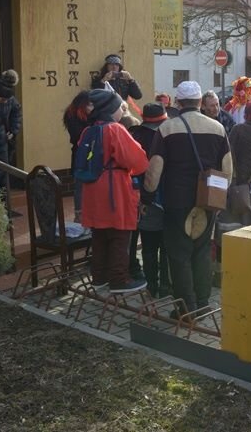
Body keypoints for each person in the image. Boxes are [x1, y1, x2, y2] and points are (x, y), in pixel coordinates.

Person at [144, 81, 233, 316]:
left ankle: (186, 308)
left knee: (179, 254)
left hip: (176, 201)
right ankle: (203, 303)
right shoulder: (217, 128)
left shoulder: (167, 128)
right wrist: (219, 198)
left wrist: (147, 197)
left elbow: (154, 171)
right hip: (207, 200)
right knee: (202, 252)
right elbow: (227, 169)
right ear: (200, 102)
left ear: (178, 102)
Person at [80, 89, 150, 294]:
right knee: (119, 234)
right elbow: (138, 161)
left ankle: (99, 277)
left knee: (99, 234)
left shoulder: (88, 130)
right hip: (114, 187)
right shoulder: (115, 130)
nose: (123, 110)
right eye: (120, 107)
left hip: (92, 187)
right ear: (111, 109)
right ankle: (119, 280)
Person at [130, 103, 171, 298]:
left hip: (143, 198)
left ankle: (151, 286)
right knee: (166, 246)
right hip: (166, 198)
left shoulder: (134, 137)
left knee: (148, 246)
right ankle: (165, 286)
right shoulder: (167, 137)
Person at [63, 90, 92, 223]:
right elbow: (76, 135)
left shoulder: (90, 114)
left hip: (91, 152)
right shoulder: (72, 115)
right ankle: (79, 215)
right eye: (89, 104)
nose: (91, 107)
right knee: (79, 185)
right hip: (80, 153)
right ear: (82, 104)